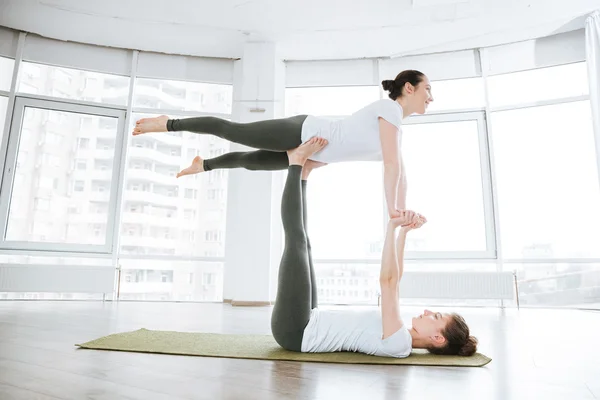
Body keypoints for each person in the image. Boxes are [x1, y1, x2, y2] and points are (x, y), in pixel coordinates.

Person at [271, 137, 477, 358]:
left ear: (438, 338)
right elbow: (395, 280)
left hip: (298, 332)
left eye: (436, 317)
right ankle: (304, 174)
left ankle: (296, 163)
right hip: (310, 319)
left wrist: (392, 227)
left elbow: (387, 282)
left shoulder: (398, 342)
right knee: (304, 244)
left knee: (296, 240)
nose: (428, 311)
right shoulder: (399, 332)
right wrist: (404, 232)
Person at [132, 70, 434, 218]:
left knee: (250, 162)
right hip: (302, 131)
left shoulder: (395, 131)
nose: (430, 97)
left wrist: (402, 209)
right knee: (232, 130)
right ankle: (168, 123)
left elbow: (401, 173)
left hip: (307, 153)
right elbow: (392, 166)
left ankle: (204, 165)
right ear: (409, 87)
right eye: (427, 89)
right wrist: (393, 208)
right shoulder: (390, 110)